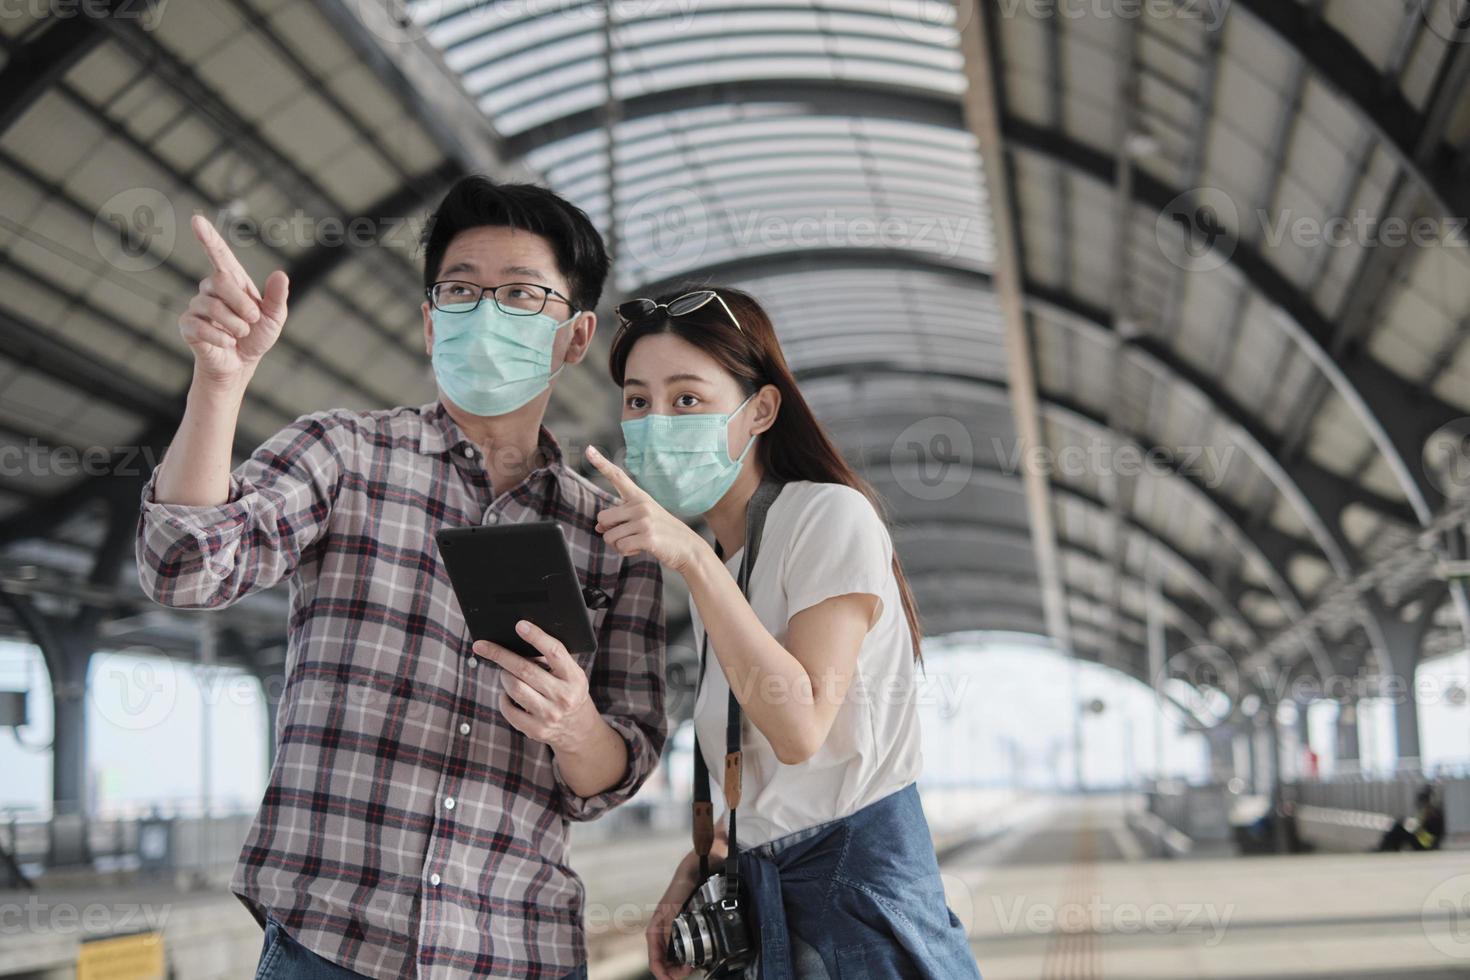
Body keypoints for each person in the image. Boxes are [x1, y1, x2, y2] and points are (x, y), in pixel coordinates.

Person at [135, 178, 667, 980]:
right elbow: (184, 569)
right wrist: (219, 383)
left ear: (576, 335)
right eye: (461, 290)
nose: (486, 313)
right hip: (330, 944)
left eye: (522, 295)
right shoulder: (343, 454)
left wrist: (572, 724)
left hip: (516, 948)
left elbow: (617, 771)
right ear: (429, 322)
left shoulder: (615, 536)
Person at [581, 286, 981, 979]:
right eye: (638, 402)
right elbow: (760, 778)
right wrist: (702, 863)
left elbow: (799, 730)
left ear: (761, 409)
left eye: (687, 399)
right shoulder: (726, 561)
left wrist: (692, 560)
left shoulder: (829, 517)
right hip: (771, 903)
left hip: (855, 908)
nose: (656, 422)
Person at [1376, 784, 1445, 852]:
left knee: (1400, 826)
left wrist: (1416, 831)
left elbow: (1432, 836)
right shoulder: (1429, 812)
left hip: (1427, 845)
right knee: (1401, 825)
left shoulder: (1434, 814)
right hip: (1424, 842)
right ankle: (1390, 848)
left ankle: (1384, 847)